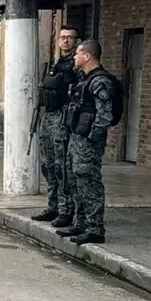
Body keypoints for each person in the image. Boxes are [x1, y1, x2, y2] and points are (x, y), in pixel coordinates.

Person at [58, 39, 119, 245]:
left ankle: (95, 228)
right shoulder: (84, 79)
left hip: (88, 141)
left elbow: (105, 114)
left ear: (87, 56)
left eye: (77, 53)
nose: (74, 56)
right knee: (74, 179)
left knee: (88, 181)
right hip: (77, 137)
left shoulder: (100, 81)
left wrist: (94, 136)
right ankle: (80, 222)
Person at [31, 25, 80, 227]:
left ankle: (66, 209)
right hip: (48, 117)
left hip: (62, 118)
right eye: (63, 38)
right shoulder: (55, 63)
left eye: (70, 38)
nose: (66, 41)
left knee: (61, 167)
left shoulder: (76, 66)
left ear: (76, 42)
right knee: (48, 165)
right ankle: (54, 206)